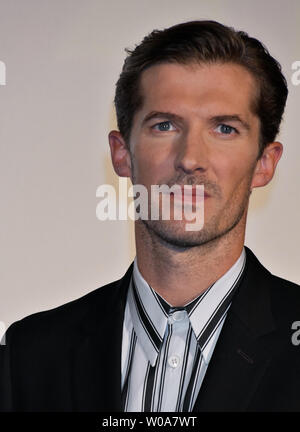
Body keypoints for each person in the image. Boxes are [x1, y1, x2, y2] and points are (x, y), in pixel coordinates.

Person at [1, 20, 299, 413]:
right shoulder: (32, 354)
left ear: (264, 163)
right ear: (122, 154)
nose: (191, 159)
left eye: (224, 129)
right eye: (164, 125)